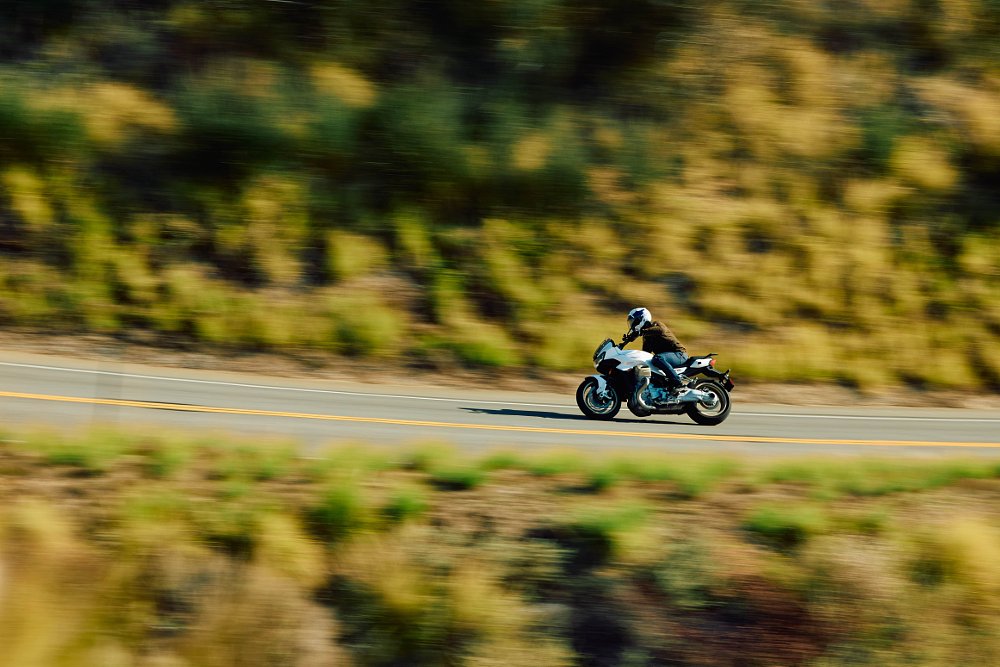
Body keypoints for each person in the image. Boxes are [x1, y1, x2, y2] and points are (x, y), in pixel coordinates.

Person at [621, 307, 687, 392]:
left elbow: (661, 330)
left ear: (642, 319)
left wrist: (641, 332)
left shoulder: (657, 325)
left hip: (679, 354)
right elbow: (645, 354)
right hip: (666, 358)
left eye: (634, 322)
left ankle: (678, 384)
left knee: (657, 358)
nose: (632, 325)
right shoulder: (647, 337)